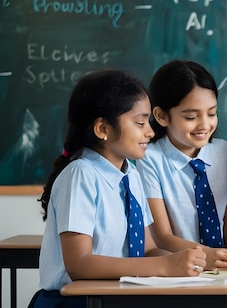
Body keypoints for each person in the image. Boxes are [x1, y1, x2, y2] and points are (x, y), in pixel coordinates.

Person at [32, 69, 206, 308]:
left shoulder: (131, 175)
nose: (150, 132)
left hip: (116, 297)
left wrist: (188, 264)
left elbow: (147, 250)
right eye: (140, 123)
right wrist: (165, 266)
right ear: (103, 129)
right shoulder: (81, 174)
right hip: (73, 301)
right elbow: (79, 264)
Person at [136, 60, 227, 271]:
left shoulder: (226, 153)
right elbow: (162, 237)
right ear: (161, 116)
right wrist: (204, 255)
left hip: (222, 273)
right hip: (177, 272)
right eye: (191, 116)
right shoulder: (149, 159)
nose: (205, 125)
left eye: (212, 113)